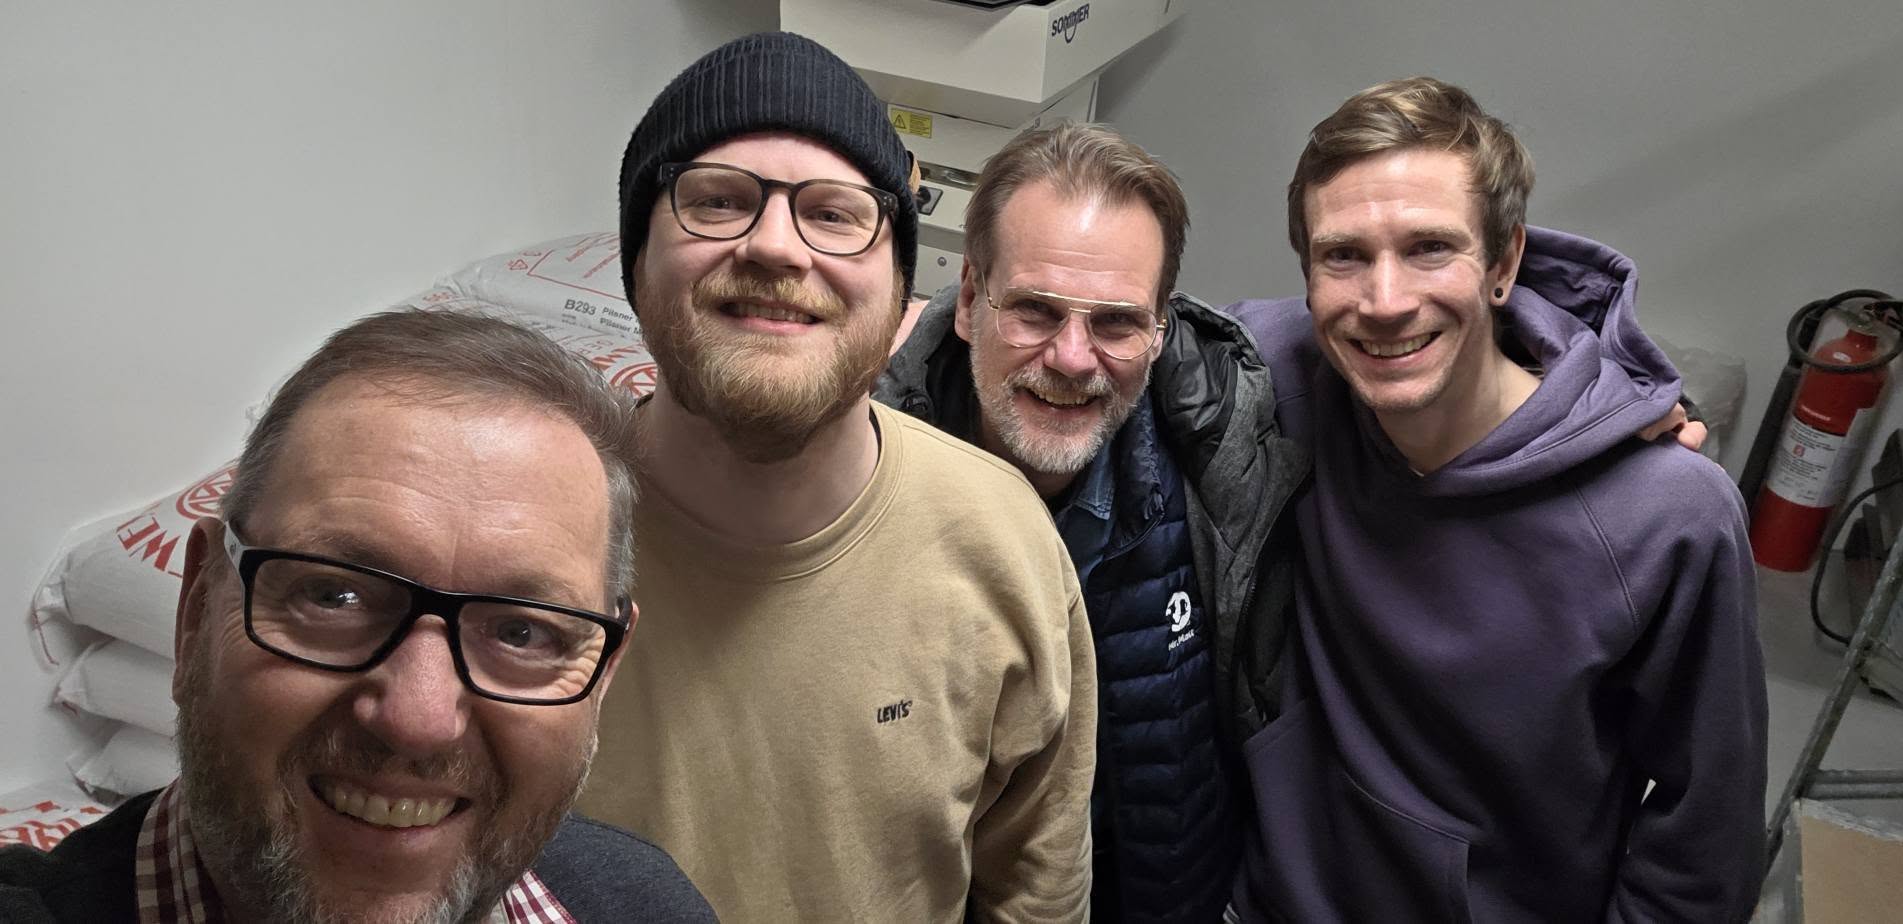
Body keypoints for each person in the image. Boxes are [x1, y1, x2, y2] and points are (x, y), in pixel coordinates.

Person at [575, 32, 1095, 922]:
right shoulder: (526, 543)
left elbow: (1034, 898)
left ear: (900, 295)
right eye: (717, 200)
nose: (776, 247)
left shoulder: (1005, 547)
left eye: (835, 213)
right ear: (635, 264)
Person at [1227, 77, 1767, 922]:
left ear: (1504, 263)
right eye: (1344, 256)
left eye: (1429, 248)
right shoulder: (1284, 372)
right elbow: (1108, 329)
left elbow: (1703, 851)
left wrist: (1615, 416)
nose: (1385, 302)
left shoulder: (1665, 517)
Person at [0, 309, 714, 923]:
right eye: (333, 596)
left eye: (521, 632)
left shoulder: (644, 903)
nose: (417, 719)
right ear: (197, 610)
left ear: (602, 677)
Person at [875, 122, 1305, 923]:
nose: (1073, 358)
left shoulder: (1223, 464)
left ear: (1161, 329)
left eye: (1115, 323)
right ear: (967, 299)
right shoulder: (862, 475)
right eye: (1035, 311)